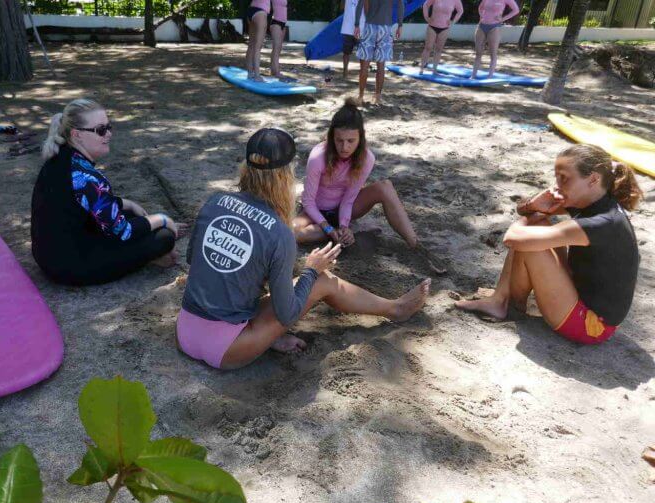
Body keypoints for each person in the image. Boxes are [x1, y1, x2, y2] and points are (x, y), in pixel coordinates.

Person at [177, 127, 431, 369]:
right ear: (284, 175)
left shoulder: (214, 202)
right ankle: (394, 309)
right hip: (226, 350)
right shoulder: (279, 232)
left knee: (244, 280)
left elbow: (194, 260)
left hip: (185, 331)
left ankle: (266, 337)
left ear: (246, 167)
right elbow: (287, 314)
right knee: (323, 280)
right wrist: (311, 270)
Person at [456, 144, 643, 345]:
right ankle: (500, 300)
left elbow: (513, 239)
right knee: (537, 224)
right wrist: (530, 207)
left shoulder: (601, 223)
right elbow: (531, 212)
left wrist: (525, 222)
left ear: (593, 179)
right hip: (580, 295)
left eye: (564, 178)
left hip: (592, 326)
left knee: (532, 242)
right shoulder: (594, 200)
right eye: (557, 177)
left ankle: (508, 305)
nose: (557, 185)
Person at [31, 99, 184, 285]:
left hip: (51, 254)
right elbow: (123, 232)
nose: (109, 134)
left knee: (130, 212)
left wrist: (127, 203)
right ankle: (150, 257)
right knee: (164, 237)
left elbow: (85, 202)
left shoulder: (62, 156)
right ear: (77, 135)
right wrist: (163, 219)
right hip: (70, 268)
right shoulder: (86, 177)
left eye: (109, 127)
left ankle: (146, 249)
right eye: (100, 130)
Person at [292, 99, 447, 274]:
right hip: (316, 212)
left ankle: (417, 247)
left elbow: (349, 200)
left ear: (361, 138)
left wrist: (344, 224)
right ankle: (336, 233)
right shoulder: (318, 156)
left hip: (346, 209)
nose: (345, 147)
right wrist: (329, 228)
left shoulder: (367, 158)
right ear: (331, 137)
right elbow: (308, 201)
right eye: (339, 140)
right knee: (293, 231)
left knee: (385, 186)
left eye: (351, 141)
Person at [354, 0, 403, 105]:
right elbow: (400, 4)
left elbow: (360, 5)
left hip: (370, 27)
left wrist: (357, 24)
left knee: (364, 66)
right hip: (385, 28)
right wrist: (400, 25)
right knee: (381, 66)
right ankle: (377, 96)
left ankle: (361, 96)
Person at [245, 0, 291, 82]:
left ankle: (250, 73)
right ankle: (257, 75)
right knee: (257, 46)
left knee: (251, 45)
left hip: (251, 9)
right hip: (260, 12)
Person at [472, 0, 520, 78]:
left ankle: (489, 77)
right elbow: (480, 7)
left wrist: (502, 19)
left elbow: (516, 10)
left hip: (494, 27)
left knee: (493, 54)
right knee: (478, 53)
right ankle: (473, 76)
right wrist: (481, 15)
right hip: (481, 26)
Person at [419, 0, 464, 75]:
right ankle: (421, 68)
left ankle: (434, 70)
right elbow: (426, 5)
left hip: (445, 28)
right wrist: (427, 17)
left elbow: (460, 11)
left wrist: (453, 21)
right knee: (428, 47)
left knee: (439, 49)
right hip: (432, 26)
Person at [340, 0, 365, 79]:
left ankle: (347, 71)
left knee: (359, 52)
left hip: (359, 27)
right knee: (348, 52)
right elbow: (342, 7)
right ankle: (346, 70)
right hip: (351, 27)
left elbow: (342, 7)